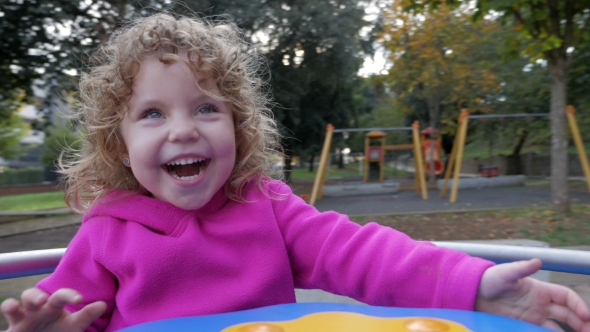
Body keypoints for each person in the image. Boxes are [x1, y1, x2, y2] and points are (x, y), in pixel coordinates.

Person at [1, 13, 589, 332]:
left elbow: (363, 254)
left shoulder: (266, 207)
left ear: (239, 128)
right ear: (120, 146)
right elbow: (63, 308)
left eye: (207, 108)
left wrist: (474, 285)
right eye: (152, 115)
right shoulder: (107, 232)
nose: (184, 129)